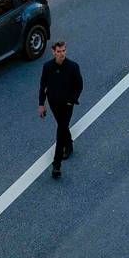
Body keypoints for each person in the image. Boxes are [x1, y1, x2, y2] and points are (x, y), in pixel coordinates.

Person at [38, 40, 83, 179]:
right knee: (62, 127)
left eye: (63, 50)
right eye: (58, 51)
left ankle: (56, 165)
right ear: (53, 52)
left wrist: (72, 100)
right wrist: (41, 104)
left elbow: (79, 85)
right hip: (54, 104)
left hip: (67, 104)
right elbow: (43, 86)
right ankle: (69, 144)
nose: (61, 54)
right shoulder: (47, 67)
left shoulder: (73, 67)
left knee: (60, 130)